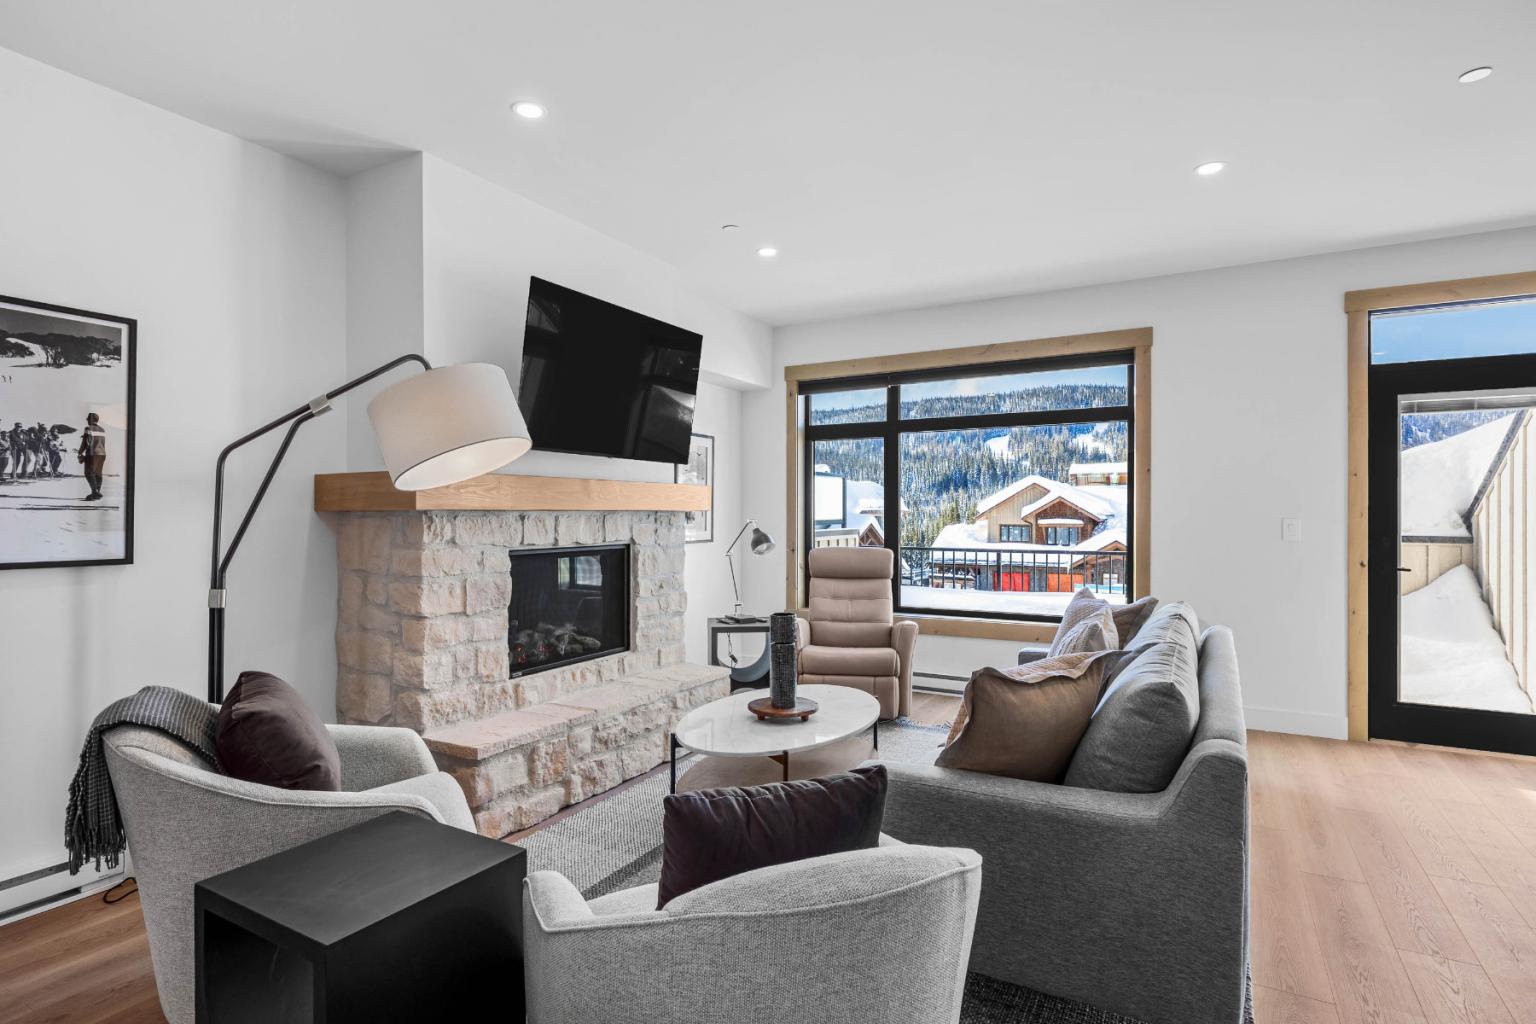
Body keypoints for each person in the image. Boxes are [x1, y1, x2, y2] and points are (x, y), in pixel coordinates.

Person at [78, 413, 107, 500]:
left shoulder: (88, 428)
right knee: (98, 473)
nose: (87, 420)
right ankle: (96, 492)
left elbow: (84, 443)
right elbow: (100, 441)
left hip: (92, 454)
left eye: (88, 419)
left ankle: (95, 492)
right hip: (102, 454)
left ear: (90, 420)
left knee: (89, 473)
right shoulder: (102, 429)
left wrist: (80, 452)